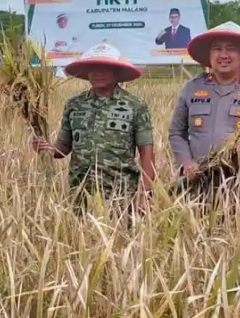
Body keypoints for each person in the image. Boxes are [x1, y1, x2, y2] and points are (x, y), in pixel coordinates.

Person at [32, 42, 155, 214]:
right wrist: (45, 147)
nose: (98, 73)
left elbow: (146, 151)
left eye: (105, 67)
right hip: (80, 192)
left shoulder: (135, 106)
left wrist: (147, 191)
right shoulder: (74, 105)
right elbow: (62, 150)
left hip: (121, 194)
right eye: (93, 68)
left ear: (116, 72)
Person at [169, 21, 240, 208]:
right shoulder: (192, 88)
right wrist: (186, 162)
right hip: (197, 188)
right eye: (217, 49)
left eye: (231, 49)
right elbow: (177, 132)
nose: (223, 55)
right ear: (209, 54)